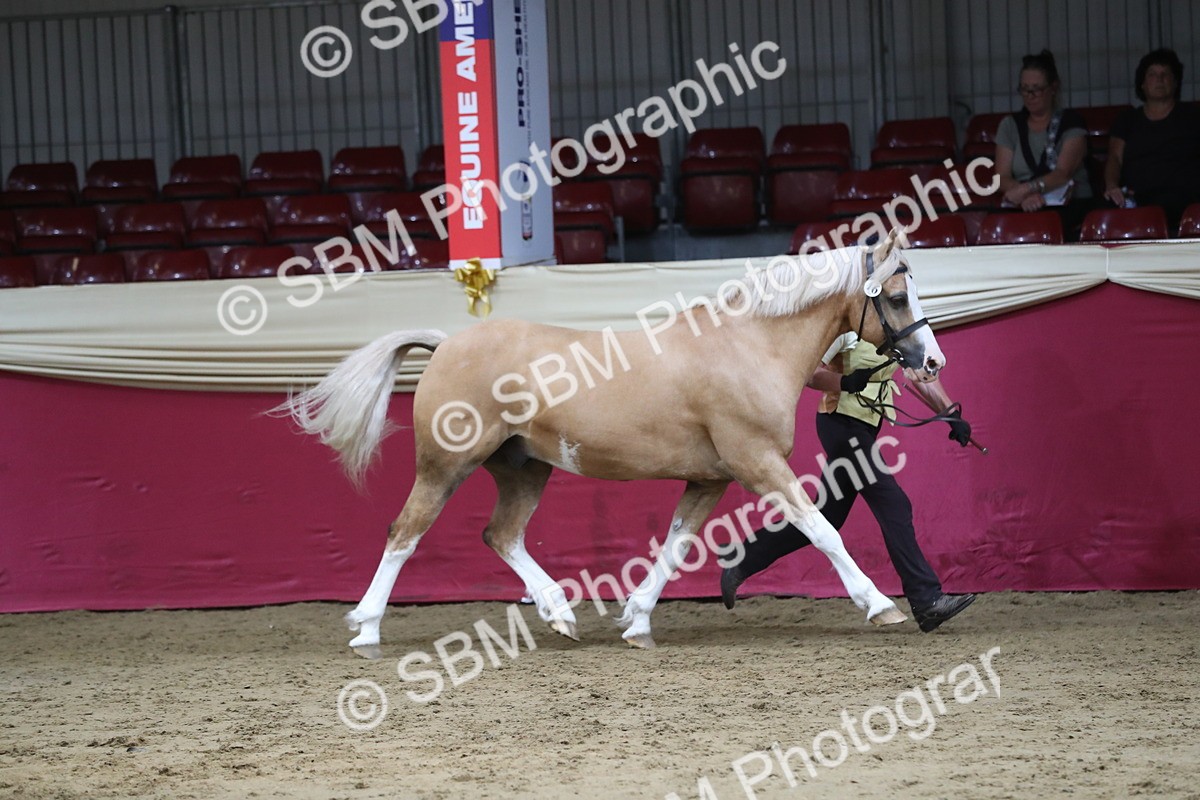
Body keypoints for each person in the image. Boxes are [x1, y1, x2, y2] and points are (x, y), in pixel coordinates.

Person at [720, 332, 976, 633]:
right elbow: (812, 373)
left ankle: (741, 559)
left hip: (866, 429)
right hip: (840, 424)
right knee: (894, 503)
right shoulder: (846, 332)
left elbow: (918, 375)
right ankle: (927, 599)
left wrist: (949, 414)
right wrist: (844, 382)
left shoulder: (894, 333)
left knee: (827, 516)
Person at [993, 50, 1093, 237]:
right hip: (1024, 203)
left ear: (1053, 88)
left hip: (1067, 204)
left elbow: (1063, 173)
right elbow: (1002, 177)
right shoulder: (1009, 125)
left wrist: (1028, 189)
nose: (1030, 95)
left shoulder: (1072, 122)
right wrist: (1025, 197)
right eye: (1024, 89)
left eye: (1037, 89)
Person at [1104, 48, 1200, 232]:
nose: (1159, 79)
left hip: (1182, 198)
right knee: (1104, 210)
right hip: (1135, 196)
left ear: (1176, 81)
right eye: (1152, 74)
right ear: (1142, 83)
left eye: (1165, 74)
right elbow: (1115, 158)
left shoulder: (1193, 116)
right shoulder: (1128, 119)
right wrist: (1112, 186)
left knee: (1162, 206)